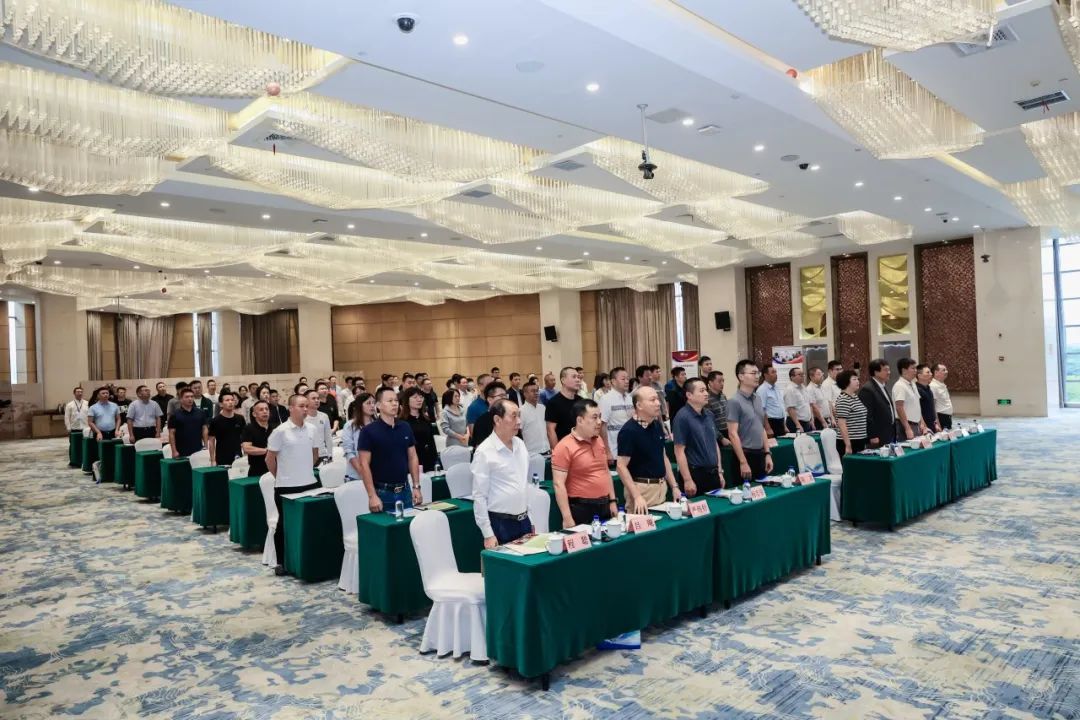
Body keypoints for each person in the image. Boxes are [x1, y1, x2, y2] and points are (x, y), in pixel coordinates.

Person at [266, 393, 320, 575]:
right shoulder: (280, 431)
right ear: (290, 408)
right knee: (285, 524)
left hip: (309, 484)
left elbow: (315, 454)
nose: (305, 409)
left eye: (307, 406)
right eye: (301, 406)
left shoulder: (312, 429)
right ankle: (281, 561)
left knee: (308, 523)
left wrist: (304, 470)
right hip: (286, 486)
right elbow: (269, 459)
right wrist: (281, 476)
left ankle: (306, 559)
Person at [471, 398, 532, 547]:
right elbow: (479, 496)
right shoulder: (484, 452)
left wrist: (531, 518)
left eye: (519, 416)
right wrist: (488, 534)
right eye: (513, 416)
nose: (519, 422)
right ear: (497, 420)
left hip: (524, 520)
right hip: (500, 524)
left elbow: (524, 485)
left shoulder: (520, 444)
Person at [551, 400, 618, 527]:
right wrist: (567, 517)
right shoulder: (564, 446)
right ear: (580, 420)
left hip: (605, 505)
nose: (599, 422)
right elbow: (558, 484)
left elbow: (605, 472)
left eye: (600, 417)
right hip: (581, 508)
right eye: (594, 417)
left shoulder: (599, 440)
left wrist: (612, 501)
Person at [616, 385, 682, 514]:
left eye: (657, 399)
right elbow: (621, 466)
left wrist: (674, 486)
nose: (658, 403)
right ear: (639, 405)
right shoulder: (629, 431)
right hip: (641, 489)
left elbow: (663, 456)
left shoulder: (656, 425)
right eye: (652, 400)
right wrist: (637, 496)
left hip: (661, 487)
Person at [358, 388, 422, 514]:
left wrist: (416, 486)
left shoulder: (405, 427)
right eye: (390, 401)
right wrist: (372, 496)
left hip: (405, 489)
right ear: (378, 405)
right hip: (382, 492)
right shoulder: (368, 431)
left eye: (396, 401)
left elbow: (413, 457)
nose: (394, 404)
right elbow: (364, 464)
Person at [672, 378, 725, 496]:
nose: (706, 394)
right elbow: (679, 451)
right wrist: (687, 480)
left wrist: (720, 471)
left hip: (713, 473)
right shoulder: (682, 417)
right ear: (689, 395)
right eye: (701, 391)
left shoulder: (709, 415)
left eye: (706, 390)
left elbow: (714, 444)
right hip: (695, 474)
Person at [727, 360, 774, 481]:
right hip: (744, 455)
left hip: (760, 455)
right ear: (741, 376)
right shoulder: (734, 401)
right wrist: (743, 462)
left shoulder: (757, 398)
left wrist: (767, 453)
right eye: (753, 373)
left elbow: (761, 427)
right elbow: (732, 434)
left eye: (758, 373)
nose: (757, 376)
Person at [598, 366, 633, 465]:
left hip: (631, 450)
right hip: (615, 452)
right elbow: (602, 426)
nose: (627, 381)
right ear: (613, 381)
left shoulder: (630, 398)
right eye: (623, 379)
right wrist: (607, 451)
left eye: (627, 379)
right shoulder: (606, 399)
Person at [858, 358, 896, 448]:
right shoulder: (867, 389)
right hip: (877, 435)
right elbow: (867, 415)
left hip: (888, 432)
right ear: (876, 372)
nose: (889, 372)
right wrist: (872, 435)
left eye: (889, 370)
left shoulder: (882, 386)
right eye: (885, 370)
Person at [401, 386, 438, 472]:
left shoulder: (426, 419)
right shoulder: (402, 422)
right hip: (411, 461)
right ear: (407, 400)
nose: (419, 400)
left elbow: (431, 441)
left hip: (428, 460)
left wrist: (435, 459)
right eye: (415, 397)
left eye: (421, 397)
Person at [545, 366, 583, 449]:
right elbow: (550, 430)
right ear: (563, 380)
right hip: (564, 448)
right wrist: (557, 452)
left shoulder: (581, 401)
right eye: (574, 377)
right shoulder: (553, 403)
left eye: (578, 377)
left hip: (581, 446)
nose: (578, 380)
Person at [469, 382, 510, 455]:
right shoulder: (481, 421)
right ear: (490, 399)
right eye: (501, 396)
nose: (505, 399)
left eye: (505, 395)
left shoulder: (509, 418)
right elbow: (480, 449)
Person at [834, 370, 869, 456]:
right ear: (846, 382)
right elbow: (842, 424)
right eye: (854, 379)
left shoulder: (854, 397)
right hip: (849, 441)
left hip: (860, 439)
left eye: (857, 379)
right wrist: (848, 445)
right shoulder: (843, 399)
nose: (858, 381)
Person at [891, 358, 926, 440]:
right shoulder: (899, 385)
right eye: (913, 368)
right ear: (904, 370)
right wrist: (907, 428)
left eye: (916, 368)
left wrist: (922, 423)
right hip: (906, 425)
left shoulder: (913, 384)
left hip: (916, 424)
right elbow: (899, 407)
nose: (915, 371)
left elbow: (916, 405)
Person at [208, 391, 246, 466]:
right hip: (222, 457)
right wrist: (212, 460)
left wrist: (245, 455)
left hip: (238, 456)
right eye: (227, 400)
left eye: (232, 400)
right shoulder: (215, 421)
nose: (230, 402)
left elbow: (245, 439)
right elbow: (211, 441)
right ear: (221, 404)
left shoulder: (240, 418)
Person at [168, 388, 208, 458]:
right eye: (187, 397)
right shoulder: (175, 414)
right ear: (181, 399)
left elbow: (204, 429)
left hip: (198, 449)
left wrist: (206, 445)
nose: (190, 399)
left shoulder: (200, 412)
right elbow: (171, 433)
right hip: (181, 450)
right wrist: (174, 451)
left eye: (192, 396)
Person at [241, 400, 273, 478]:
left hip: (274, 469)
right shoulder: (249, 428)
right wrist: (268, 451)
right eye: (261, 410)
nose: (265, 411)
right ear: (254, 414)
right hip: (257, 470)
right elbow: (247, 448)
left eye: (266, 409)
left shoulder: (275, 428)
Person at [304, 389, 334, 464]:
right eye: (313, 398)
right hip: (307, 456)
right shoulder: (302, 418)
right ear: (306, 401)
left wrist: (330, 454)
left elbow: (328, 437)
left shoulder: (324, 416)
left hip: (323, 455)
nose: (317, 400)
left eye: (318, 398)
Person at [520, 381, 549, 456]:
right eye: (533, 391)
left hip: (547, 450)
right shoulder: (520, 411)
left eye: (537, 390)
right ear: (525, 394)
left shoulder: (543, 408)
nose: (536, 393)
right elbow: (519, 434)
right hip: (532, 453)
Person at [756, 363, 786, 437]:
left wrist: (784, 425)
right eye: (773, 372)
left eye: (776, 372)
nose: (776, 374)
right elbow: (761, 410)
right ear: (766, 375)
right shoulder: (762, 390)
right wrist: (767, 427)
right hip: (771, 422)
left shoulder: (776, 388)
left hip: (780, 422)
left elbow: (781, 407)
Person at [782, 367, 814, 433]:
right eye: (800, 374)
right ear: (792, 377)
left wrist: (811, 420)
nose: (803, 376)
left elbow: (809, 405)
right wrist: (798, 424)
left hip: (806, 422)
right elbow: (790, 409)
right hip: (795, 423)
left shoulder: (804, 388)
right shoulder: (790, 389)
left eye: (803, 374)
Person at [705, 371, 729, 444]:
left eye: (723, 381)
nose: (722, 384)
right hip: (716, 437)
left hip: (727, 432)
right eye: (719, 381)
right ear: (711, 383)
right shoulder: (706, 399)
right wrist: (721, 438)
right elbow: (709, 422)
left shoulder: (723, 396)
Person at [916, 364, 940, 433]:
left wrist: (936, 423)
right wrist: (924, 426)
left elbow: (932, 408)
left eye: (930, 372)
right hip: (923, 427)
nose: (931, 374)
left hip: (932, 425)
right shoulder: (917, 390)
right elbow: (917, 410)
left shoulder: (929, 389)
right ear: (919, 376)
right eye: (928, 372)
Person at [931, 363, 953, 429]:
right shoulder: (933, 386)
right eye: (943, 370)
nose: (946, 372)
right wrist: (937, 423)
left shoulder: (942, 384)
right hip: (940, 418)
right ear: (936, 372)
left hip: (947, 417)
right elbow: (932, 406)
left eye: (946, 370)